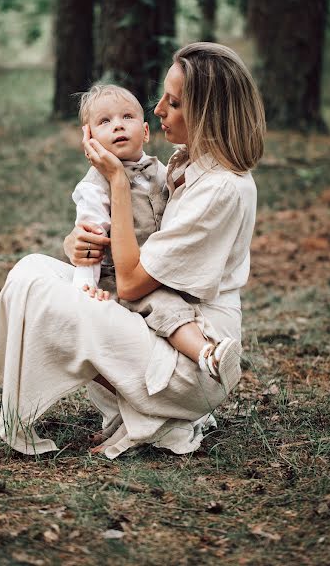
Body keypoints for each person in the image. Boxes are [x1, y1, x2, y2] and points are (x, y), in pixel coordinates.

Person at [0, 42, 265, 459]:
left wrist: (115, 181)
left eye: (175, 102)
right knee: (31, 270)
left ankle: (167, 416)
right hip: (156, 320)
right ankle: (142, 410)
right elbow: (134, 247)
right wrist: (76, 246)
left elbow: (130, 284)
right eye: (162, 96)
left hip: (191, 360)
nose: (158, 109)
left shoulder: (221, 189)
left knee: (42, 289)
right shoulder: (190, 166)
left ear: (207, 113)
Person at [71, 83, 241, 385]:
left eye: (127, 117)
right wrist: (86, 284)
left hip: (157, 268)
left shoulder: (163, 171)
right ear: (90, 140)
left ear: (146, 132)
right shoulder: (95, 185)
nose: (118, 125)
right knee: (166, 307)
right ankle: (207, 355)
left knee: (177, 304)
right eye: (104, 122)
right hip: (121, 277)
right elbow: (90, 235)